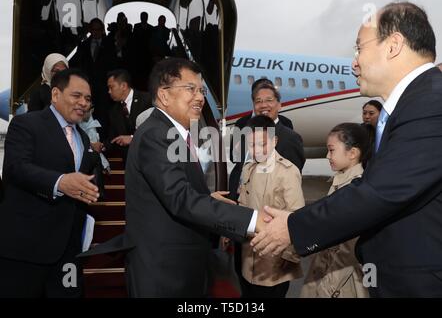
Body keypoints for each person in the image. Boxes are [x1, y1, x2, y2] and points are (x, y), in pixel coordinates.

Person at [251, 2, 442, 297]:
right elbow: (369, 184)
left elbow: (380, 192)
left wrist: (293, 227)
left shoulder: (432, 102)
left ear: (393, 45)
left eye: (359, 48)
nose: (354, 61)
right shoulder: (413, 104)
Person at [91, 57, 266, 297]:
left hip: (180, 266)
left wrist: (207, 197)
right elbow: (180, 198)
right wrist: (253, 221)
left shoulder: (172, 134)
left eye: (201, 90)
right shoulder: (156, 135)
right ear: (164, 95)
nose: (200, 97)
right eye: (190, 89)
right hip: (163, 274)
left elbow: (174, 190)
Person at [0, 69, 100, 297]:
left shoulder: (83, 138)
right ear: (55, 94)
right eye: (76, 96)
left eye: (87, 98)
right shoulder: (26, 124)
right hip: (25, 250)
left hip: (70, 253)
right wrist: (60, 182)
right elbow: (16, 168)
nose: (83, 103)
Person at [237, 115, 304, 298]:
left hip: (274, 260)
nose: (257, 150)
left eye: (262, 144)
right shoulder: (248, 168)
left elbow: (296, 216)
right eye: (252, 145)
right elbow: (243, 203)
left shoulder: (287, 172)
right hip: (248, 254)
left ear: (274, 141)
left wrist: (288, 257)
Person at [300, 123, 370, 298]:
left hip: (340, 283)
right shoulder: (341, 181)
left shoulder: (355, 190)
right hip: (324, 271)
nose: (327, 156)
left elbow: (348, 250)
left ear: (352, 153)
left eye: (331, 150)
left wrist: (329, 287)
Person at [229, 78, 305, 201]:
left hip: (269, 207)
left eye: (269, 100)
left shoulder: (291, 138)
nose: (263, 105)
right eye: (258, 101)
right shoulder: (245, 129)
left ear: (279, 105)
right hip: (239, 200)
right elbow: (238, 163)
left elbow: (293, 179)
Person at [106, 69, 152, 156]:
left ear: (123, 86)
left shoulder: (147, 100)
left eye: (111, 87)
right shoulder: (114, 111)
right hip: (129, 162)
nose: (109, 91)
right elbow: (113, 138)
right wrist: (102, 146)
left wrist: (132, 138)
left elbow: (156, 129)